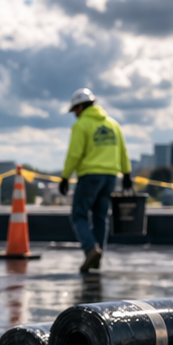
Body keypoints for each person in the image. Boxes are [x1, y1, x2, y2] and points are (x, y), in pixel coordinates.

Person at [57, 87, 132, 275]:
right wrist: (127, 174)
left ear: (81, 106)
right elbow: (123, 151)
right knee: (100, 217)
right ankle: (95, 259)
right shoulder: (113, 124)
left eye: (75, 110)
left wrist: (65, 176)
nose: (75, 114)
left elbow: (75, 154)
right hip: (110, 177)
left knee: (79, 215)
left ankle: (91, 250)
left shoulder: (82, 125)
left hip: (90, 175)